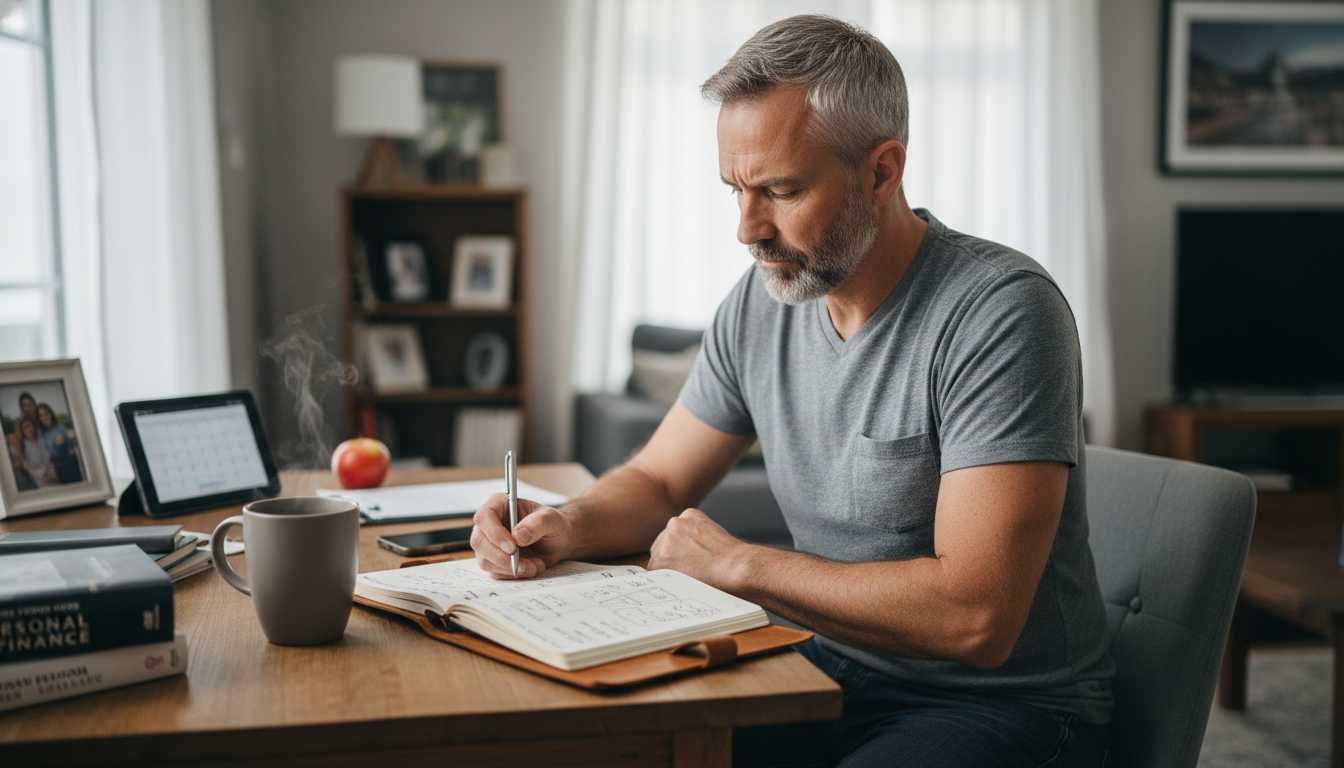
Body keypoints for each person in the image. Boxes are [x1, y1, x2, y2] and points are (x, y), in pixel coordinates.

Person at [471, 15, 1111, 767]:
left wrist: (740, 566)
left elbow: (976, 617)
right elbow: (660, 477)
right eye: (735, 189)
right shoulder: (762, 300)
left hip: (1004, 710)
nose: (747, 229)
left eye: (779, 190)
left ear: (882, 171)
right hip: (820, 670)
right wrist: (567, 523)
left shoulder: (1001, 313)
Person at [37, 403, 82, 484]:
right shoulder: (42, 435)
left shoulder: (60, 427)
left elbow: (72, 446)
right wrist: (56, 444)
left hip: (71, 463)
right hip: (59, 467)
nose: (45, 417)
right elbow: (49, 454)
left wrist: (73, 440)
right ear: (39, 419)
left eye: (46, 413)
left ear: (50, 414)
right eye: (41, 415)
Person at [18, 416, 55, 488]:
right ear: (22, 431)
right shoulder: (23, 444)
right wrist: (43, 474)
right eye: (25, 427)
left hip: (52, 473)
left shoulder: (42, 439)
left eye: (29, 426)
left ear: (34, 426)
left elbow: (49, 457)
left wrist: (50, 471)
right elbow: (27, 466)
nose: (28, 429)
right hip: (40, 480)